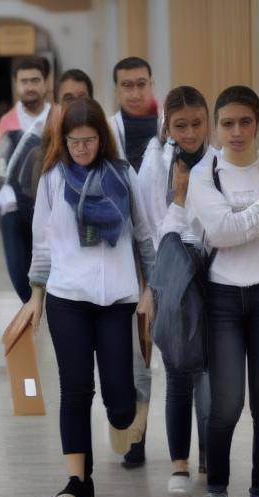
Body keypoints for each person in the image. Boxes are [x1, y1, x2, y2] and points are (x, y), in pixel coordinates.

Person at [24, 97, 155, 497]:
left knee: (118, 401)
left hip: (117, 298)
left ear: (103, 138)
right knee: (75, 389)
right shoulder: (51, 180)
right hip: (68, 298)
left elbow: (145, 236)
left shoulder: (123, 175)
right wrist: (36, 295)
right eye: (74, 141)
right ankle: (78, 482)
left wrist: (149, 289)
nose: (81, 149)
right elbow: (42, 245)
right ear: (62, 141)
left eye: (89, 140)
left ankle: (126, 413)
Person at [185, 86, 259, 497]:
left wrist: (245, 220)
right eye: (228, 123)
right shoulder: (205, 173)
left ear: (257, 125)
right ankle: (217, 486)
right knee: (228, 403)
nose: (237, 131)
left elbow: (236, 228)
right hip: (222, 299)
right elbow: (219, 233)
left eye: (246, 122)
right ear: (217, 127)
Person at [138, 86, 215, 493]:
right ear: (167, 125)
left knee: (208, 373)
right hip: (170, 272)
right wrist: (152, 287)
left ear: (208, 121)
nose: (189, 133)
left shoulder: (218, 162)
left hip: (214, 273)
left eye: (197, 124)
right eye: (180, 125)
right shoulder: (155, 164)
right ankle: (179, 463)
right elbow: (151, 228)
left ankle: (208, 459)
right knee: (177, 372)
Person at [108, 56, 158, 468]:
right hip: (123, 254)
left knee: (177, 348)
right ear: (117, 89)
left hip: (167, 249)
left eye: (141, 84)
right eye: (127, 85)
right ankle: (136, 434)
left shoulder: (171, 128)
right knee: (134, 347)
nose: (135, 92)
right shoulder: (108, 132)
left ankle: (193, 450)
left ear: (152, 84)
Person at [0, 57, 51, 302]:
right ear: (16, 85)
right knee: (18, 268)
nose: (29, 86)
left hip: (51, 205)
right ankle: (29, 309)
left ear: (46, 82)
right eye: (24, 81)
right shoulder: (7, 121)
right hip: (15, 207)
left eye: (35, 80)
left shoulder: (57, 116)